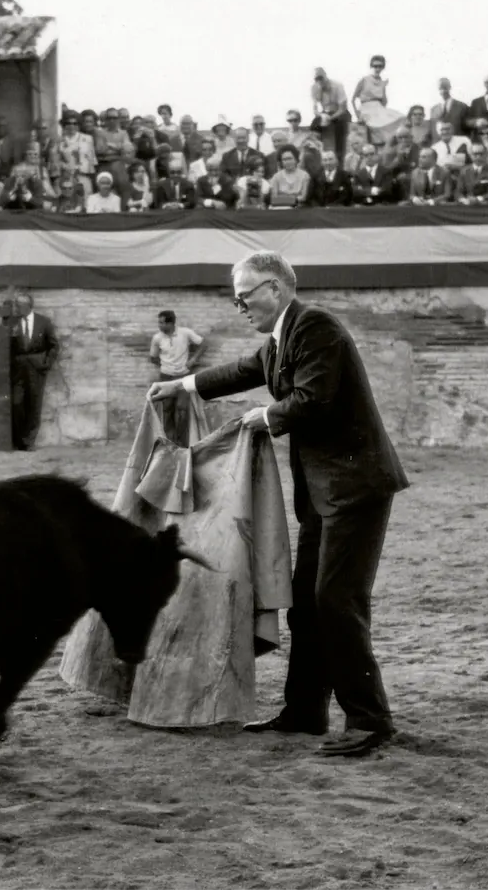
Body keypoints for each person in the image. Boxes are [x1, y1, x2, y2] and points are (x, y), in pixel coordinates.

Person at [149, 251, 408, 757]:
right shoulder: (282, 338)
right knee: (308, 603)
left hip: (355, 489)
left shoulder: (316, 329)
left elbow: (314, 400)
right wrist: (181, 386)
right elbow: (244, 369)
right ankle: (306, 711)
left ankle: (371, 720)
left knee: (337, 599)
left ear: (276, 288)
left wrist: (264, 417)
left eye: (244, 297)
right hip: (325, 491)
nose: (240, 306)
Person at [9, 292, 60, 451]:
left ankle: (28, 442)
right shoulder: (13, 323)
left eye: (20, 305)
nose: (17, 308)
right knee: (16, 403)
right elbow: (7, 346)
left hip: (36, 368)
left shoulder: (43, 322)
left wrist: (46, 363)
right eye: (16, 304)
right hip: (18, 368)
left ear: (29, 306)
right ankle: (19, 440)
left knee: (34, 404)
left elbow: (54, 345)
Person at [148, 310, 204, 446]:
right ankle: (169, 442)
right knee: (167, 409)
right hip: (166, 377)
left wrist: (193, 360)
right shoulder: (157, 338)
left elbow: (203, 344)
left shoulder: (185, 333)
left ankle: (182, 443)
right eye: (159, 322)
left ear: (171, 323)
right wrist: (166, 366)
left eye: (162, 323)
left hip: (183, 377)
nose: (159, 325)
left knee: (182, 409)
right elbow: (153, 357)